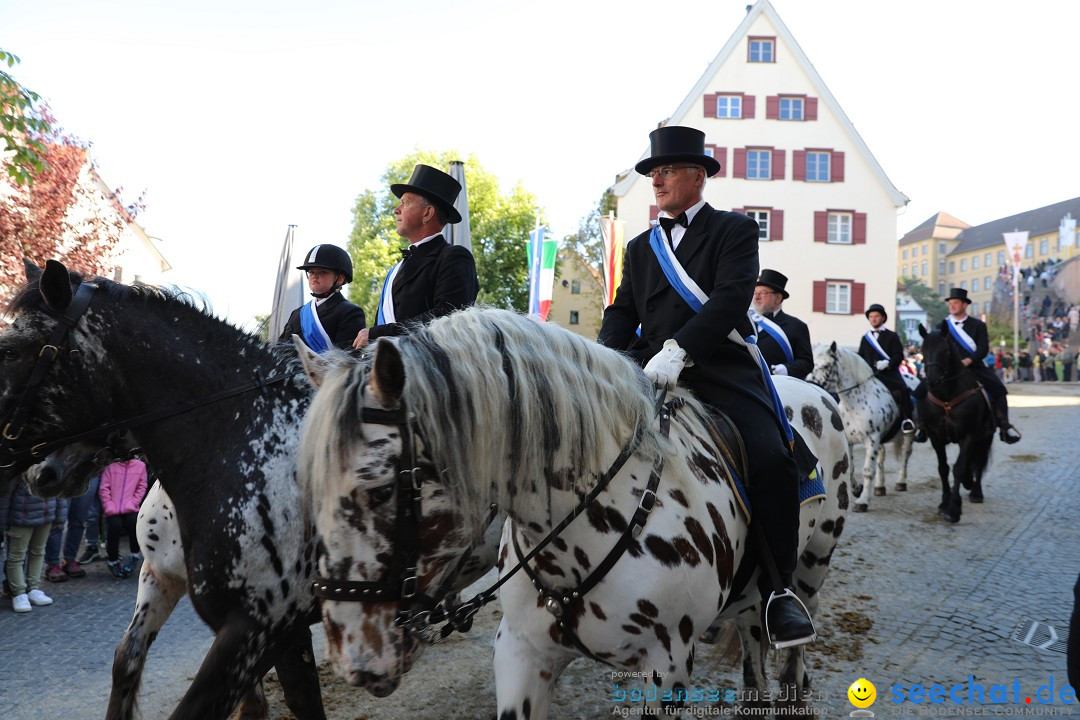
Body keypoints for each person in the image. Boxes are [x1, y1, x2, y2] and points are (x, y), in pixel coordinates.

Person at [597, 125, 815, 647]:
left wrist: (681, 349)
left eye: (667, 170)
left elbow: (729, 297)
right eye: (653, 172)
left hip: (719, 367)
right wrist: (604, 362)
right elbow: (623, 310)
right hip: (648, 370)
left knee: (768, 457)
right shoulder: (642, 246)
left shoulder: (733, 230)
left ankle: (778, 591)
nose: (657, 180)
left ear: (697, 176)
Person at [353, 164, 478, 349]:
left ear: (427, 213)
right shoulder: (398, 268)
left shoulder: (454, 257)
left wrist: (377, 334)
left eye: (405, 202)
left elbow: (449, 319)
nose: (396, 209)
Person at [938, 288, 1021, 443]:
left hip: (973, 366)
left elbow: (983, 348)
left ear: (964, 305)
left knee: (999, 388)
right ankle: (922, 426)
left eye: (955, 303)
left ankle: (1004, 426)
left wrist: (968, 361)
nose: (952, 306)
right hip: (949, 369)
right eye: (950, 303)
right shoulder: (942, 325)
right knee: (922, 389)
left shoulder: (978, 325)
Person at [280, 244, 366, 352]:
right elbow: (280, 351)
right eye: (311, 272)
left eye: (322, 272)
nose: (314, 276)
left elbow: (346, 361)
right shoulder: (297, 314)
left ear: (339, 279)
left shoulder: (350, 312)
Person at [1, 475, 59, 612]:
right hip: (20, 518)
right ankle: (19, 593)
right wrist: (2, 524)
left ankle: (33, 588)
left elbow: (59, 492)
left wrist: (59, 517)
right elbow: (5, 497)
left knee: (38, 552)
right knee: (16, 556)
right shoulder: (19, 469)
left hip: (46, 516)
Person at [858, 303, 914, 434]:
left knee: (903, 389)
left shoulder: (892, 336)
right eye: (871, 316)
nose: (873, 319)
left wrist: (888, 363)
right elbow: (861, 357)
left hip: (889, 373)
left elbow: (899, 355)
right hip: (871, 375)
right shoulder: (866, 338)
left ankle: (908, 420)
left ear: (883, 318)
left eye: (876, 316)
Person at [750, 270, 813, 380]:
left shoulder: (796, 326)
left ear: (778, 298)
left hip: (780, 387)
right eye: (755, 292)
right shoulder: (745, 322)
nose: (757, 297)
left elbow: (806, 363)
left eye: (763, 293)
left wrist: (786, 369)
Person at [98, 456, 149, 579]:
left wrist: (133, 503)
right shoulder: (111, 466)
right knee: (115, 526)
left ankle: (134, 555)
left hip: (130, 507)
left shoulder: (140, 466)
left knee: (134, 523)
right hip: (112, 507)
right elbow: (104, 488)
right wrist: (109, 506)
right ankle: (113, 560)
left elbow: (142, 486)